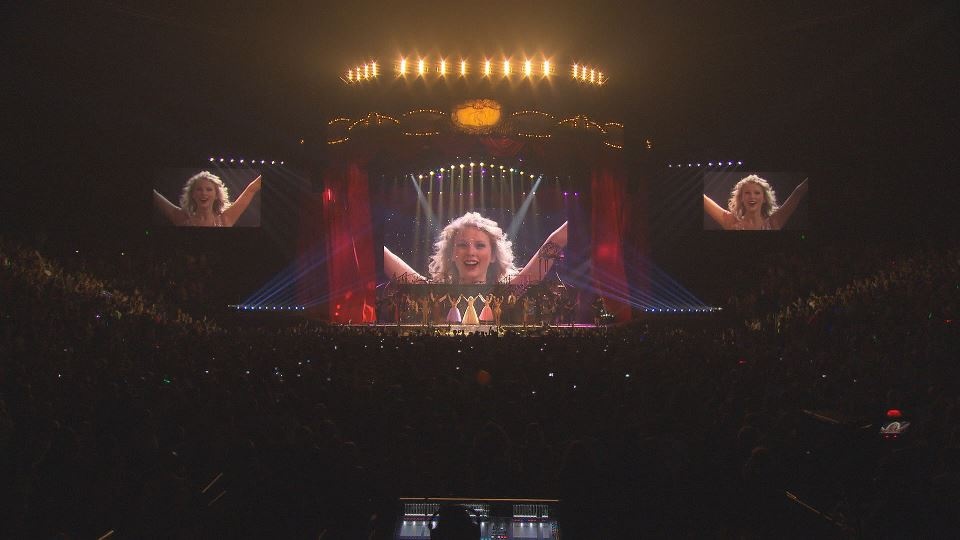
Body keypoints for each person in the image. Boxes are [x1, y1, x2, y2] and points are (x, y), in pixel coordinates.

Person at [383, 212, 568, 284]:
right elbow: (383, 257)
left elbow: (556, 242)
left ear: (493, 255)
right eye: (462, 245)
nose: (471, 252)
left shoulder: (509, 292)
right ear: (451, 254)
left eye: (480, 245)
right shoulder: (433, 294)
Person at [154, 171, 261, 227]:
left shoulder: (225, 219)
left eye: (209, 189)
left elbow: (251, 189)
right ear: (192, 194)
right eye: (199, 189)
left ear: (216, 195)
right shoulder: (182, 218)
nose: (203, 193)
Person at [703, 176, 808, 230]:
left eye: (757, 193)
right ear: (741, 198)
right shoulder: (731, 222)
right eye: (747, 193)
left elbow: (798, 192)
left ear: (764, 199)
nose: (752, 196)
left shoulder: (774, 222)